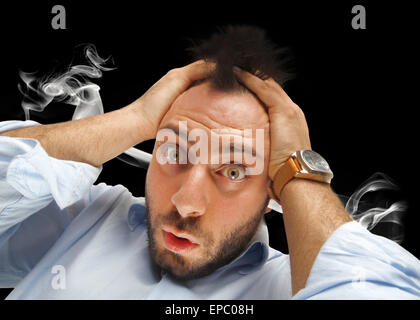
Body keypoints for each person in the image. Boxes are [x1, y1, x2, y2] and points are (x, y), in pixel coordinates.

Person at [0, 26, 419, 299]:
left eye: (234, 171)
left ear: (272, 192)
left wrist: (300, 174)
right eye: (174, 153)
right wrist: (135, 119)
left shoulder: (288, 287)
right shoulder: (79, 220)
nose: (186, 203)